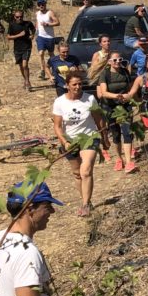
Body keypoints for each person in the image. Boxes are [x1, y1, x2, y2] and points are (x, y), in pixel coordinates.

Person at [51, 71, 105, 217]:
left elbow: (98, 119)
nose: (78, 87)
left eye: (80, 84)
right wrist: (64, 141)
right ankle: (85, 200)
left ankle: (86, 204)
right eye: (74, 84)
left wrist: (104, 137)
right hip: (70, 139)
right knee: (77, 174)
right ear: (67, 85)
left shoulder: (90, 99)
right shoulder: (60, 102)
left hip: (89, 136)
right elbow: (57, 126)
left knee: (86, 170)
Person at [95, 52, 137, 174]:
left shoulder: (125, 72)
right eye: (114, 60)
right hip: (110, 107)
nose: (117, 62)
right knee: (116, 134)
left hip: (125, 106)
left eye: (119, 59)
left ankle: (129, 162)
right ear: (109, 62)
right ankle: (119, 158)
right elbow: (103, 92)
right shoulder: (105, 74)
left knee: (127, 132)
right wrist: (117, 96)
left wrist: (129, 97)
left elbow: (130, 88)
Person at [5, 9, 36, 92]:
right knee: (21, 66)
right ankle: (25, 80)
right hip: (17, 48)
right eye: (17, 17)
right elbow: (8, 37)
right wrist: (19, 35)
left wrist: (32, 35)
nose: (19, 18)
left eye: (21, 17)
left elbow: (33, 29)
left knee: (25, 65)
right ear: (14, 17)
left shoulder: (28, 23)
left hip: (27, 47)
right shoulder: (12, 25)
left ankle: (27, 81)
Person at [34, 0, 59, 81]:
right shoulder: (37, 13)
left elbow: (57, 22)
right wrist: (35, 31)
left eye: (43, 4)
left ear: (45, 4)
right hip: (40, 37)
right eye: (39, 4)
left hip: (50, 37)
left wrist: (48, 24)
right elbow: (37, 22)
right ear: (38, 6)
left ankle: (55, 67)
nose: (41, 6)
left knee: (51, 54)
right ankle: (42, 70)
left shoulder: (50, 13)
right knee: (41, 53)